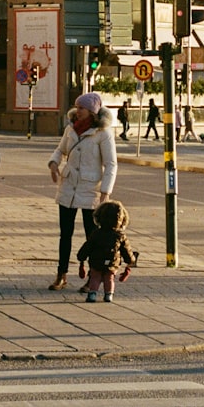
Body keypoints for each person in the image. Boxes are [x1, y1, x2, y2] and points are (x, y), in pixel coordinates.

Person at [47, 92, 118, 292]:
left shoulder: (103, 133)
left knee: (92, 236)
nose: (77, 111)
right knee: (65, 234)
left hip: (90, 189)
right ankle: (61, 275)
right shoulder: (70, 129)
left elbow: (111, 164)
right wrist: (54, 163)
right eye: (77, 107)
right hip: (68, 187)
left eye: (81, 108)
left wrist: (105, 191)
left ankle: (92, 278)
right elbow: (60, 150)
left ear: (92, 112)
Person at [76, 200, 137, 303]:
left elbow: (88, 246)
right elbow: (126, 250)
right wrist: (130, 260)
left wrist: (81, 257)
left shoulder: (96, 233)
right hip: (112, 261)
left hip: (96, 260)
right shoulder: (120, 236)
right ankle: (108, 294)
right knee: (109, 278)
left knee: (95, 277)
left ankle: (92, 294)